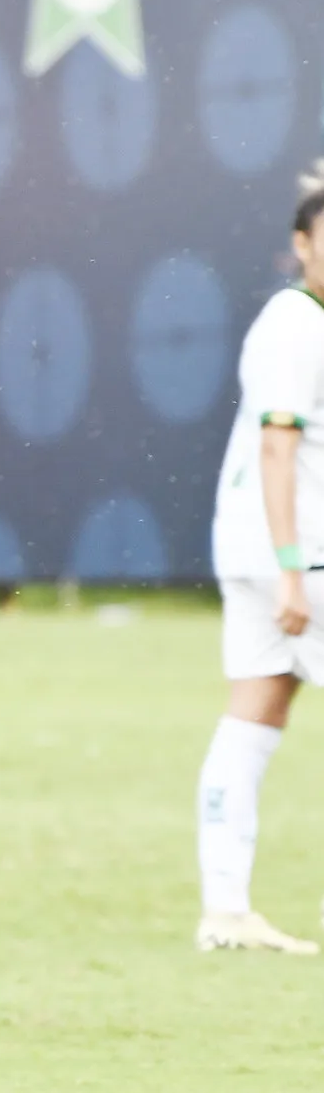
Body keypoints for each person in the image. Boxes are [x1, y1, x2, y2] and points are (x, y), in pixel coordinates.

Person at [195, 160, 324, 955]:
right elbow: (278, 447)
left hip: (257, 547)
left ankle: (225, 910)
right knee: (254, 711)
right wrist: (289, 564)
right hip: (293, 555)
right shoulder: (295, 326)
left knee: (255, 712)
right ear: (299, 245)